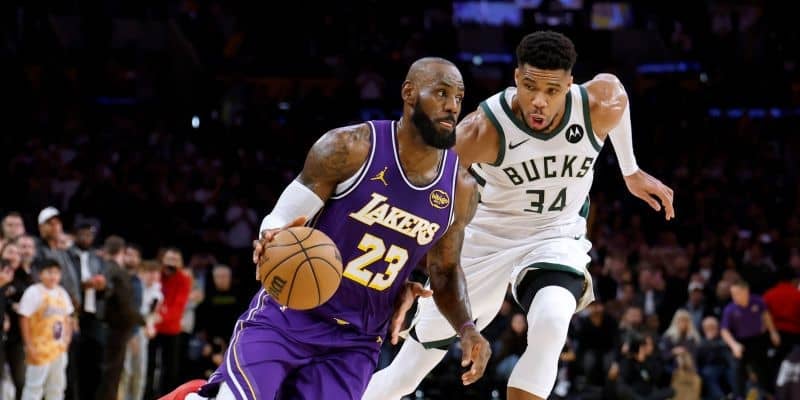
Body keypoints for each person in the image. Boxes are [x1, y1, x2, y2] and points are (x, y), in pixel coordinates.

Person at [363, 30, 675, 400]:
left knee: (552, 321)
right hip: (484, 240)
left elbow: (619, 97)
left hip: (554, 234)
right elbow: (423, 194)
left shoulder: (598, 103)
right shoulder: (482, 130)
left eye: (552, 91)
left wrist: (630, 170)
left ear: (569, 85)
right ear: (516, 78)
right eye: (529, 87)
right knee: (406, 374)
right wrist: (405, 270)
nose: (539, 101)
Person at [159, 57, 491, 400]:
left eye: (458, 97)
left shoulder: (461, 188)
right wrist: (271, 238)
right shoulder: (350, 148)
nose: (452, 106)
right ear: (409, 93)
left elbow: (445, 270)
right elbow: (281, 218)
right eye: (441, 93)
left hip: (356, 341)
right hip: (290, 313)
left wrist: (467, 328)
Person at [18, 258, 74, 400]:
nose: (53, 276)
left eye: (56, 273)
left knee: (57, 387)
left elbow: (68, 318)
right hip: (39, 347)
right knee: (34, 386)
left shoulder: (62, 293)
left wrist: (67, 339)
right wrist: (29, 345)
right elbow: (24, 318)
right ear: (40, 274)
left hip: (58, 348)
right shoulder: (33, 292)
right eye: (49, 272)